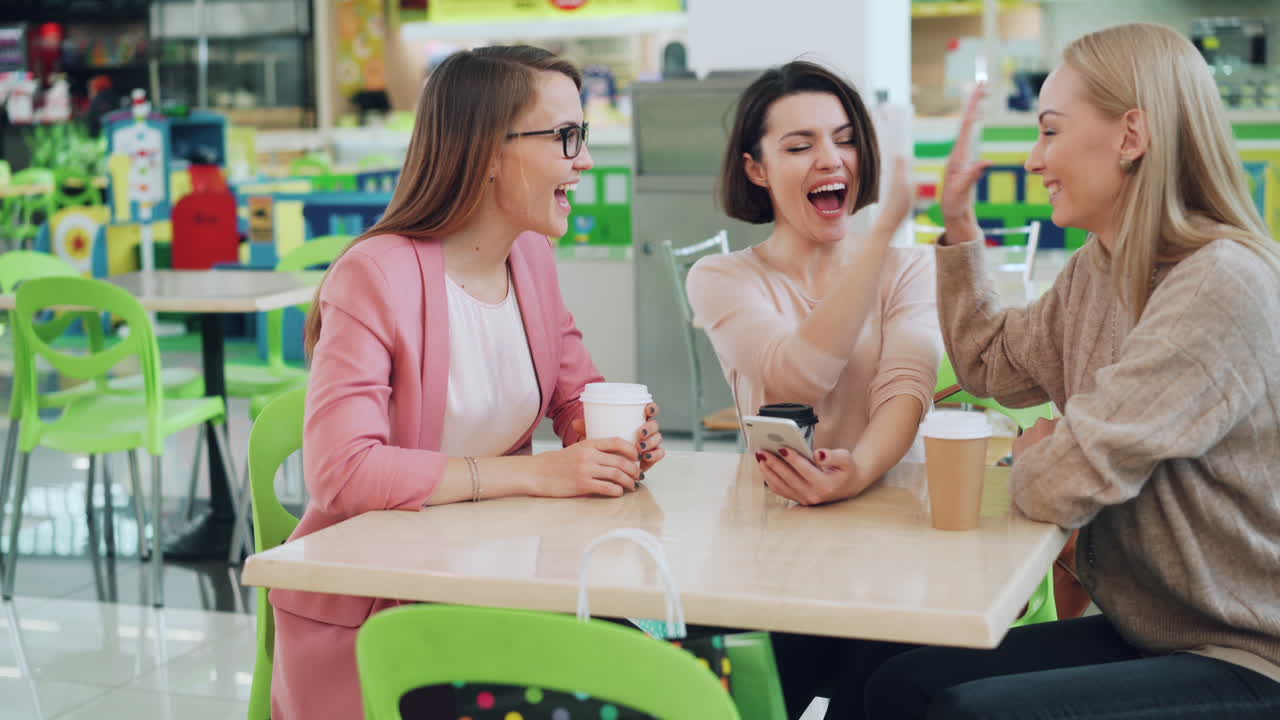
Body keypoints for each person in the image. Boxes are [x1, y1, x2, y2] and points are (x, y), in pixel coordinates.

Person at [855, 22, 1280, 719]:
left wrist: (1042, 453)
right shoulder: (1101, 266)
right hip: (1158, 631)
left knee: (969, 711)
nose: (1033, 160)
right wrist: (958, 224)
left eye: (1050, 131)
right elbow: (993, 365)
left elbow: (1064, 482)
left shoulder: (1219, 286)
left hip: (1247, 654)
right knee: (896, 683)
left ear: (1130, 136)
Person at [269, 46, 667, 720]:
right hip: (385, 617)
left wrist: (612, 438)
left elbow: (574, 394)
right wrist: (540, 475)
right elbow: (340, 472)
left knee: (663, 675)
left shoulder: (531, 258)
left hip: (495, 581)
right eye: (566, 137)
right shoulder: (376, 275)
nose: (586, 161)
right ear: (486, 151)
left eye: (584, 136)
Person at [684, 59, 939, 716]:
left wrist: (856, 473)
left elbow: (906, 392)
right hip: (773, 557)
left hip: (895, 555)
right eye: (800, 146)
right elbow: (796, 371)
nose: (832, 158)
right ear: (756, 169)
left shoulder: (909, 270)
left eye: (845, 138)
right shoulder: (722, 277)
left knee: (891, 689)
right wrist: (881, 234)